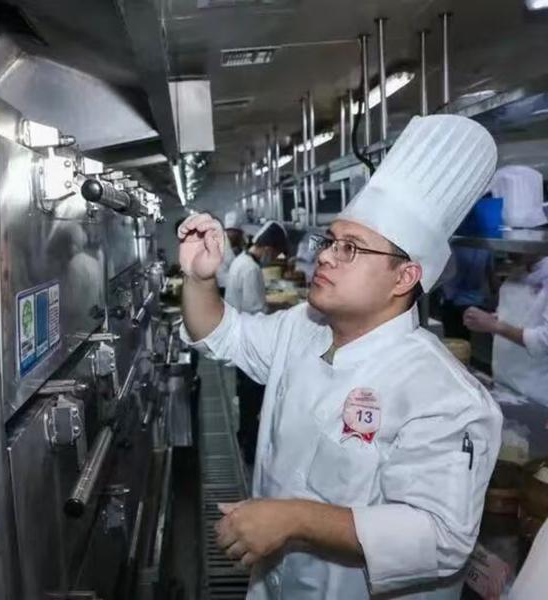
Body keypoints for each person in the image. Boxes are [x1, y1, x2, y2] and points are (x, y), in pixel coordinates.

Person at [176, 114, 502, 599]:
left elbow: (442, 538)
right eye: (330, 242)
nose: (326, 256)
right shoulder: (302, 329)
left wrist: (295, 519)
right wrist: (200, 278)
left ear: (404, 278)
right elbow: (223, 333)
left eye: (351, 249)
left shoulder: (444, 395)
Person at [225, 221, 289, 464]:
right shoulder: (251, 269)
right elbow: (256, 312)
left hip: (240, 338)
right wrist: (281, 310)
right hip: (250, 342)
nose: (272, 258)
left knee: (246, 398)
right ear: (267, 248)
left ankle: (244, 437)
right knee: (253, 401)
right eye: (274, 253)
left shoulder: (241, 261)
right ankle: (250, 449)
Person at [464, 254, 548, 406]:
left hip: (536, 390)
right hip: (505, 380)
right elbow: (517, 316)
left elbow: (543, 340)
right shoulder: (518, 273)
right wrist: (490, 320)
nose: (510, 253)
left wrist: (496, 326)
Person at [440, 247, 495, 340]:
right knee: (475, 343)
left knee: (454, 343)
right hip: (477, 303)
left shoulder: (453, 246)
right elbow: (491, 277)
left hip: (452, 301)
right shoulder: (486, 248)